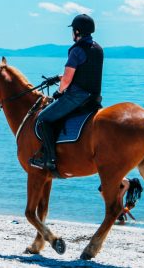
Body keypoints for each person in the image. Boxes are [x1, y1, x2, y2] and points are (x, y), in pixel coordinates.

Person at [29, 13, 104, 173]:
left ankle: (49, 160)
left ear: (77, 31)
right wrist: (57, 77)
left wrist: (58, 92)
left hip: (77, 97)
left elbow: (68, 79)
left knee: (42, 119)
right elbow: (84, 73)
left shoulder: (76, 50)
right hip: (93, 98)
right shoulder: (97, 48)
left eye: (73, 30)